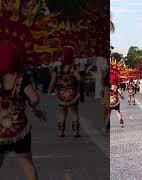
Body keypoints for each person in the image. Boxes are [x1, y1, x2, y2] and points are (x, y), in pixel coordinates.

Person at [0, 41, 46, 180]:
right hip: (20, 129)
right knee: (26, 163)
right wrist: (28, 105)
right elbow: (35, 99)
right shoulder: (21, 78)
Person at [48, 46, 81, 137]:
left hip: (61, 94)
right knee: (74, 112)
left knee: (62, 112)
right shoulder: (73, 66)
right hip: (72, 93)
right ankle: (76, 131)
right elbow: (79, 78)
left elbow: (53, 80)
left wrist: (50, 90)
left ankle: (61, 131)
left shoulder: (57, 67)